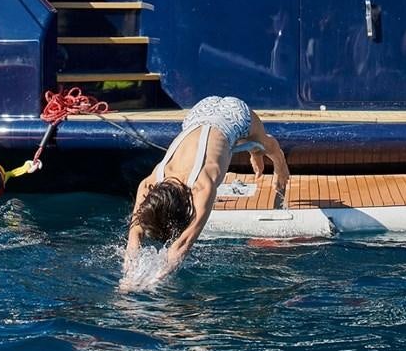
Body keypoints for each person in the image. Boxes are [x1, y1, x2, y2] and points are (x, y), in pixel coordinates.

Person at [122, 95, 289, 288]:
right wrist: (126, 280)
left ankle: (280, 163)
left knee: (263, 145)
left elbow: (181, 246)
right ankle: (254, 150)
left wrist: (150, 284)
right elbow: (133, 239)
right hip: (199, 112)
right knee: (248, 145)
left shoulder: (203, 187)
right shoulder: (148, 185)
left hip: (233, 115)